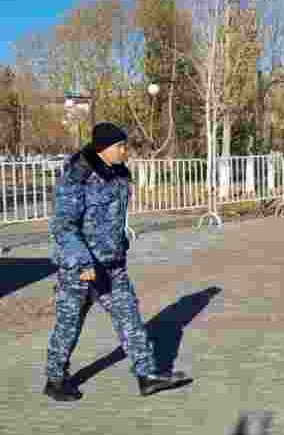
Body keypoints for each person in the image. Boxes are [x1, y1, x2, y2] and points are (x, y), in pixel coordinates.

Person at [44, 122, 189, 402]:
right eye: (120, 146)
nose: (125, 151)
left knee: (130, 317)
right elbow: (64, 227)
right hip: (82, 267)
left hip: (112, 263)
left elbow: (112, 217)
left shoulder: (119, 173)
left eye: (125, 145)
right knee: (69, 323)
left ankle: (147, 375)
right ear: (102, 149)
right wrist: (84, 263)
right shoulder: (77, 176)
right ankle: (55, 378)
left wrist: (119, 243)